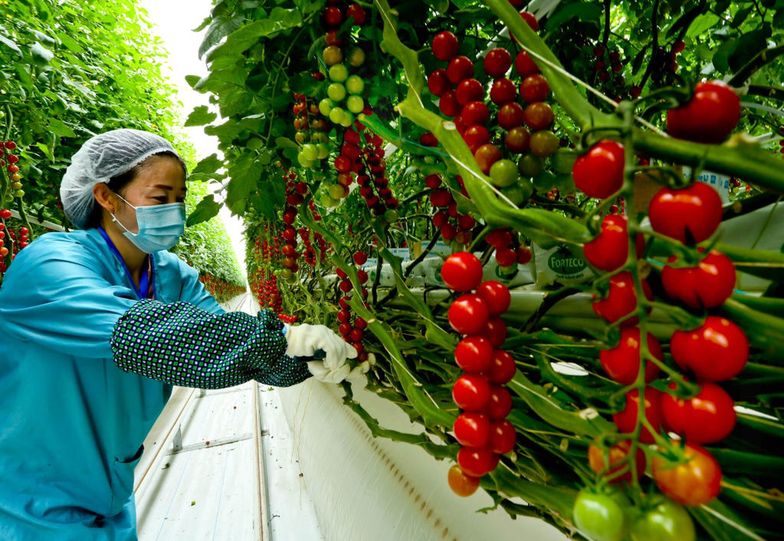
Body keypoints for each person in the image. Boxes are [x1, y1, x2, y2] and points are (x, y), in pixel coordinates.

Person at [0, 129, 358, 540]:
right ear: (105, 196)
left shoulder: (171, 275)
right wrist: (284, 337)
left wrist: (304, 361)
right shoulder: (48, 265)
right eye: (159, 197)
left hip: (112, 493)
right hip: (27, 498)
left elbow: (227, 342)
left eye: (179, 198)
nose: (174, 210)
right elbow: (149, 334)